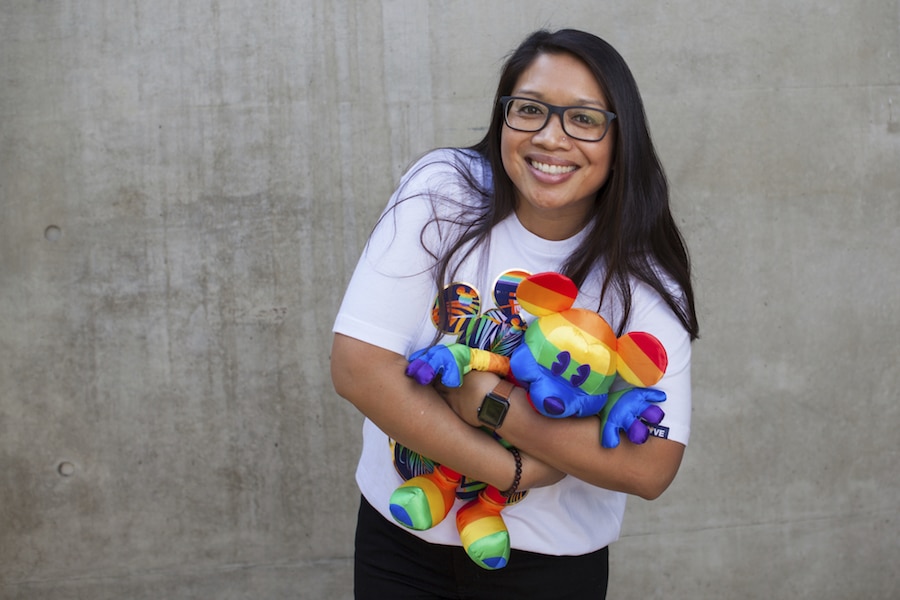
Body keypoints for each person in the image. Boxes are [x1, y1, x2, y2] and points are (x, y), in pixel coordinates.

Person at [331, 28, 698, 599]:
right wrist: (515, 470)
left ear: (620, 136)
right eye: (529, 110)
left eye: (584, 119)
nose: (552, 138)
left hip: (549, 565)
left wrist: (492, 406)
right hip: (400, 542)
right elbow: (358, 368)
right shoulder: (443, 190)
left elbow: (649, 467)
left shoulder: (641, 273)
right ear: (503, 117)